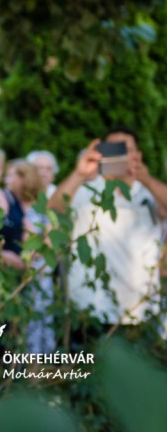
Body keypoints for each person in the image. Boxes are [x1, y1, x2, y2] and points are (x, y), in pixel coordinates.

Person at [50, 128, 167, 334]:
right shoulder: (86, 190)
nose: (121, 156)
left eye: (126, 149)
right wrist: (79, 173)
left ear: (138, 155)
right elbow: (54, 209)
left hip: (140, 308)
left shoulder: (149, 193)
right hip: (90, 308)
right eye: (113, 149)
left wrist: (146, 179)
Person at [4, 159, 55, 353]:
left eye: (12, 175)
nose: (7, 179)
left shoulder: (41, 206)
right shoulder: (8, 203)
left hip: (36, 271)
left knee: (37, 315)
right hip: (13, 269)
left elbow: (49, 239)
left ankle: (38, 361)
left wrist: (35, 248)